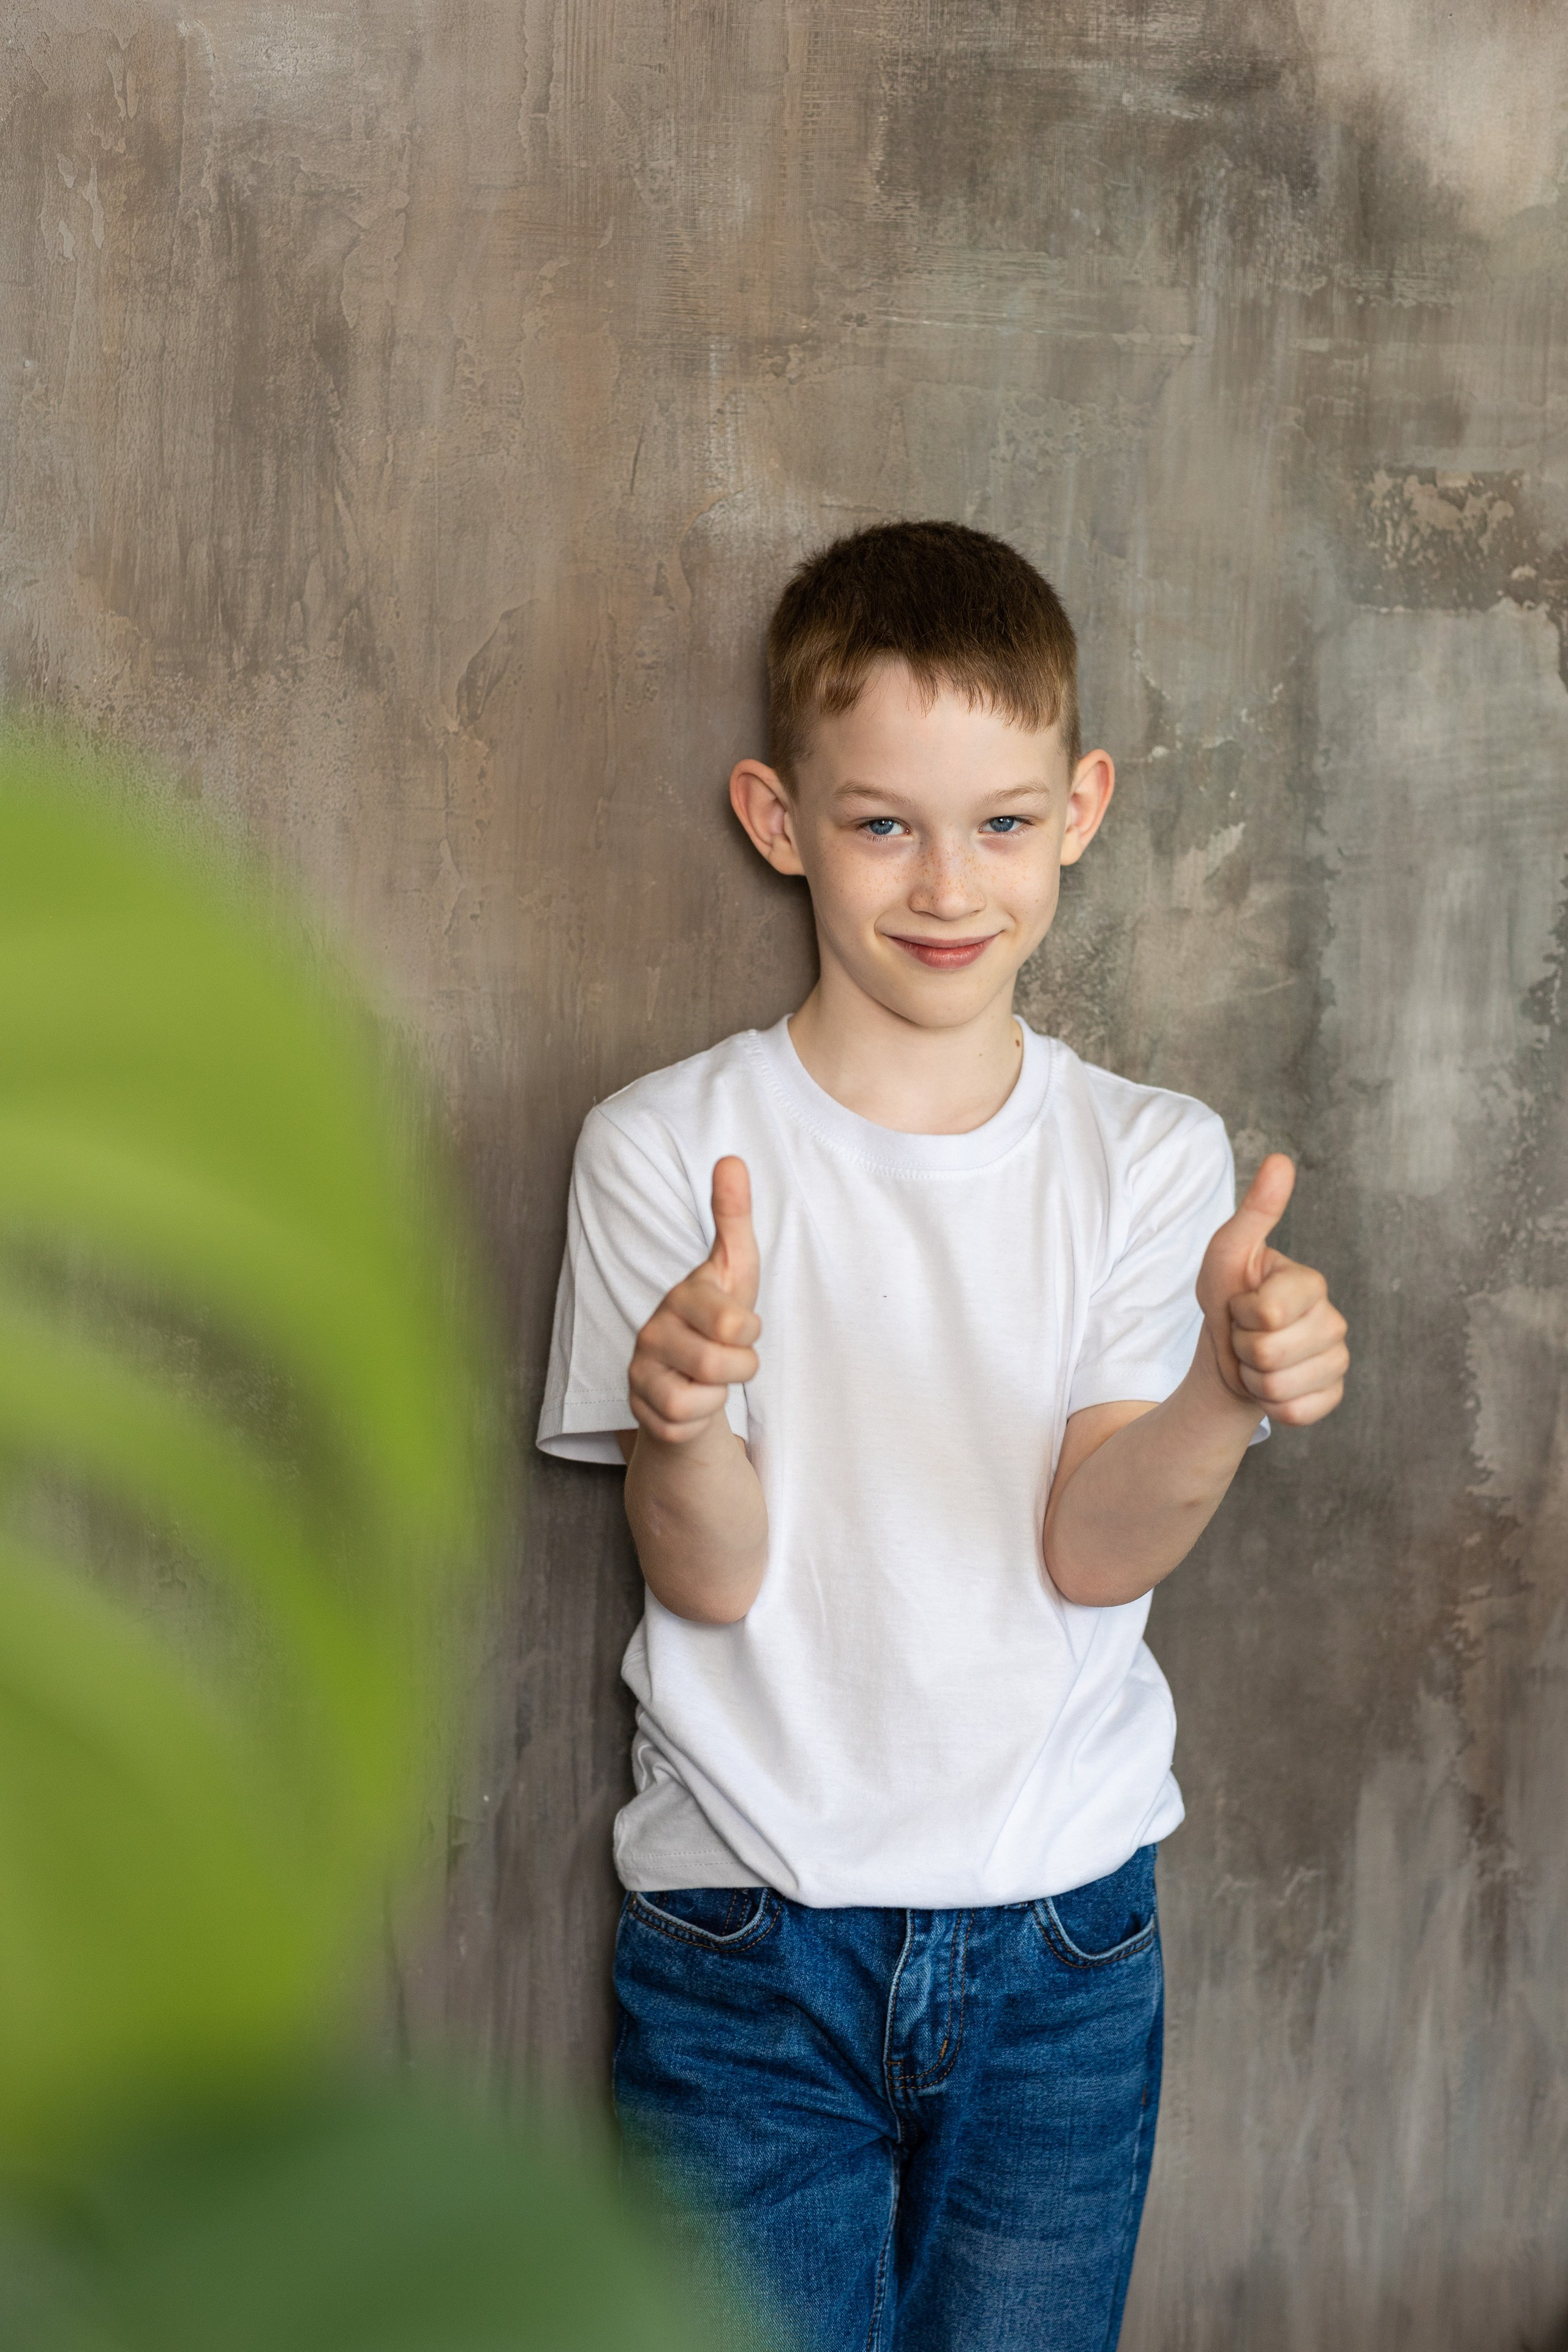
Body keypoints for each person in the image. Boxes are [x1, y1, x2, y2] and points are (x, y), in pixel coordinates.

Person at [537, 520, 1348, 2352]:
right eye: (881, 821)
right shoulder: (665, 1148)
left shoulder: (1148, 1154)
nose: (944, 883)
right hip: (748, 1944)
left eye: (998, 820)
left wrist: (1226, 1388)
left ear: (1080, 806)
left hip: (1064, 1947)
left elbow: (1092, 1543)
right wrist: (678, 1416)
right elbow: (713, 1573)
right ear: (777, 816)